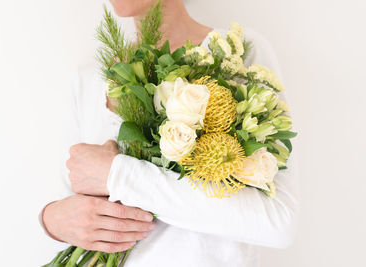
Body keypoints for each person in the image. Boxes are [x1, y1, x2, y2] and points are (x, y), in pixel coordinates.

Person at [40, 0, 299, 266]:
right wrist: (51, 220)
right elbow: (67, 197)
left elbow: (276, 223)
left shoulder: (237, 51)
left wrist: (118, 175)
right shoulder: (89, 78)